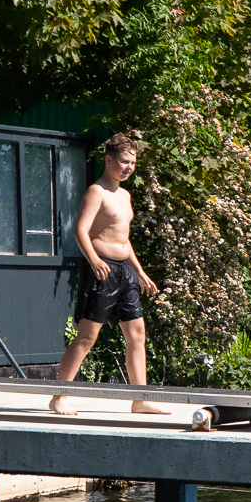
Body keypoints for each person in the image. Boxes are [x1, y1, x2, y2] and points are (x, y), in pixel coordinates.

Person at [48, 133, 171, 416]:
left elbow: (123, 239)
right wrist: (93, 260)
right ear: (108, 160)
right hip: (101, 269)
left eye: (132, 163)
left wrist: (139, 272)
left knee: (137, 333)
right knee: (87, 336)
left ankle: (140, 399)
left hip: (124, 271)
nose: (128, 167)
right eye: (124, 162)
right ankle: (59, 396)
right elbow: (80, 229)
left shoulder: (125, 195)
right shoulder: (97, 192)